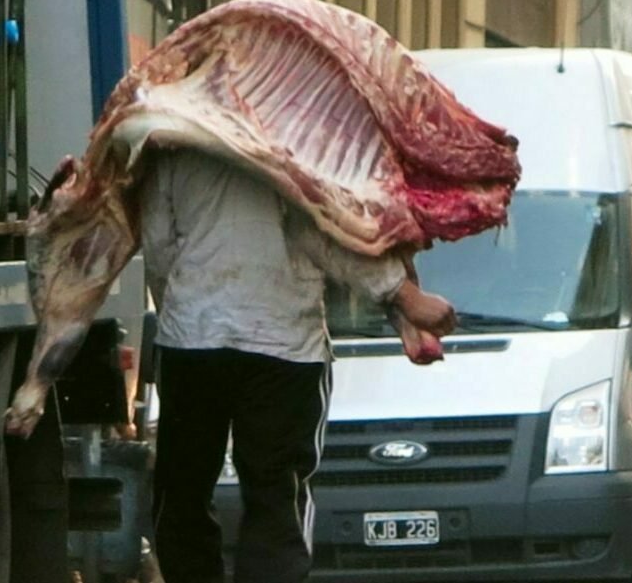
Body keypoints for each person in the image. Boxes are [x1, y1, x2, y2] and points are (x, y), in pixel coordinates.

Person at [141, 147, 455, 583]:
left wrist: (184, 304)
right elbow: (322, 232)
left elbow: (157, 245)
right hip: (283, 344)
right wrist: (401, 294)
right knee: (276, 497)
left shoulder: (171, 141)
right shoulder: (294, 132)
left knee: (182, 493)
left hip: (193, 341)